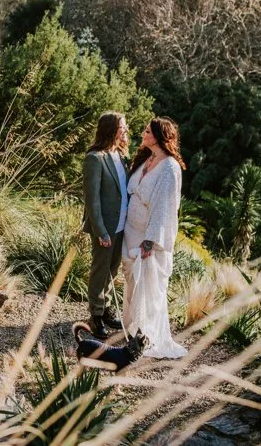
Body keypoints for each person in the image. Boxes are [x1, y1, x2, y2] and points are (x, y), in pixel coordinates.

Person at [122, 117, 188, 359]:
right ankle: (133, 329)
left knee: (148, 286)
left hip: (149, 239)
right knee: (132, 283)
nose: (143, 133)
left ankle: (146, 335)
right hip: (131, 232)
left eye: (148, 131)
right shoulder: (146, 160)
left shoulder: (170, 167)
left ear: (160, 136)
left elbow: (164, 207)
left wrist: (150, 240)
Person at [82, 111, 130, 339]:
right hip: (105, 226)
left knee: (112, 270)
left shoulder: (120, 155)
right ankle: (96, 315)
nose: (126, 130)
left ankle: (107, 308)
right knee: (100, 271)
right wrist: (100, 230)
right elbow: (92, 200)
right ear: (111, 129)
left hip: (121, 225)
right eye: (123, 127)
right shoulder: (95, 158)